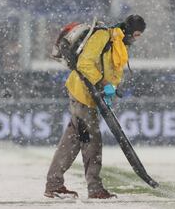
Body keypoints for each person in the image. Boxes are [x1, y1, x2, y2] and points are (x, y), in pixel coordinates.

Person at [44, 15, 146, 199]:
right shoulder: (103, 37)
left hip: (91, 96)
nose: (137, 38)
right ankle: (94, 187)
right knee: (92, 140)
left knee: (73, 139)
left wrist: (109, 92)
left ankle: (54, 184)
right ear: (129, 30)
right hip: (82, 93)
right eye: (136, 34)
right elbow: (84, 64)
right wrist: (101, 83)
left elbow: (112, 73)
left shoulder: (120, 45)